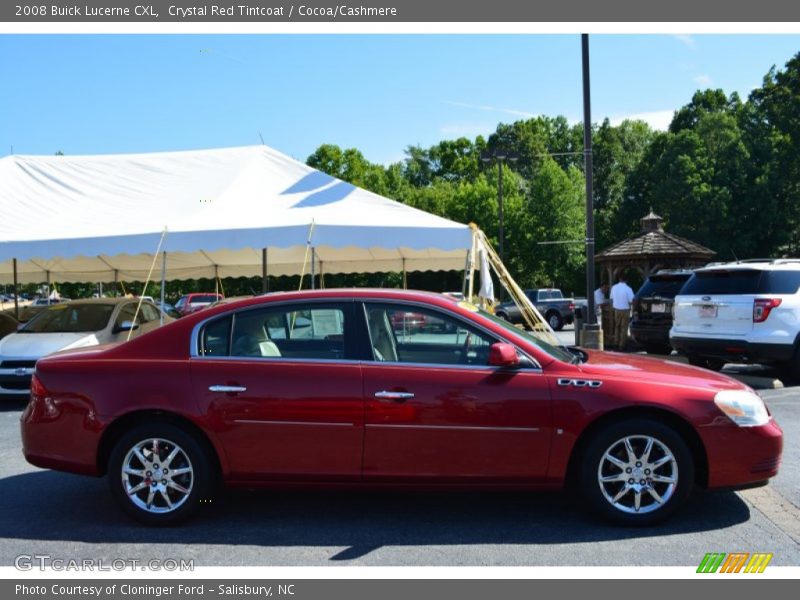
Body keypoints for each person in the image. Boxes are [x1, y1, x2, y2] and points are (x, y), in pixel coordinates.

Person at [610, 274, 634, 350]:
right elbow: (631, 301)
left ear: (619, 279)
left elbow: (611, 298)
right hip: (625, 309)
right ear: (626, 280)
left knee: (617, 326)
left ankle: (615, 343)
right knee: (624, 328)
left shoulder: (614, 287)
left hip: (616, 309)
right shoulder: (628, 289)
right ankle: (622, 345)